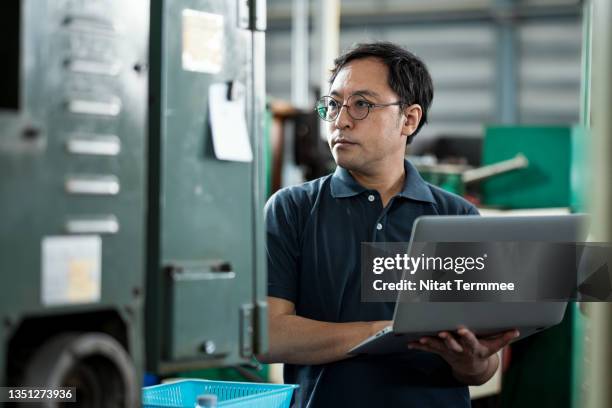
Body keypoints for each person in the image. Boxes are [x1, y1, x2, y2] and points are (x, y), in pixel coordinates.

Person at [258, 41, 518, 407]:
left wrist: (470, 360)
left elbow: (481, 369)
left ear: (408, 119)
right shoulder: (292, 209)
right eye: (333, 105)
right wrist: (385, 332)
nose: (340, 120)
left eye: (362, 104)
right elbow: (267, 335)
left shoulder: (456, 218)